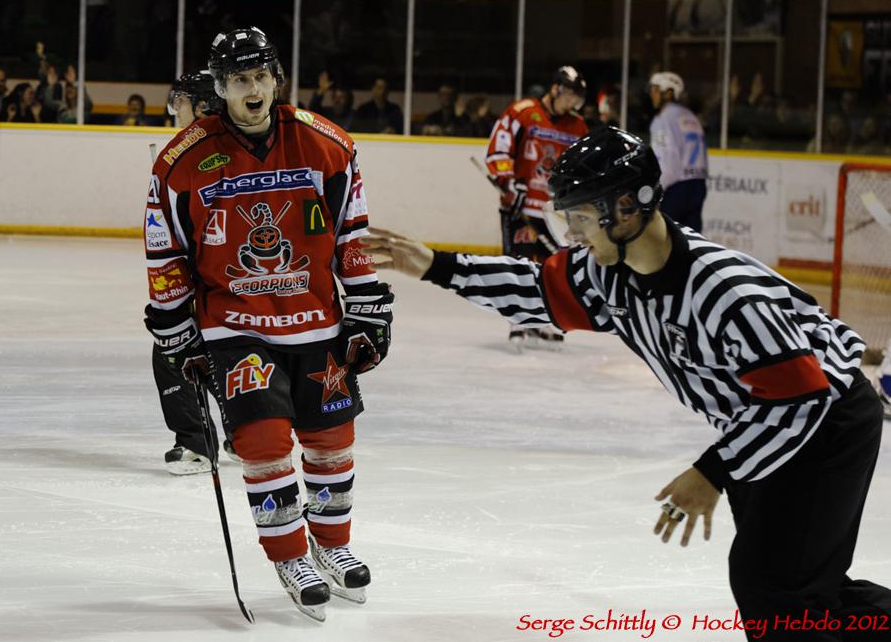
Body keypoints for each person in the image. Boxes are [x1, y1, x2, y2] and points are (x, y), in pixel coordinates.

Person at [365, 126, 891, 641]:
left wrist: (712, 472)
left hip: (827, 423)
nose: (572, 233)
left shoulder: (722, 292)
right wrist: (438, 267)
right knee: (798, 583)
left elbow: (800, 396)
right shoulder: (607, 272)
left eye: (580, 217)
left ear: (625, 208)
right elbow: (537, 291)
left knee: (774, 584)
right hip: (763, 425)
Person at [143, 27, 391, 621]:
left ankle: (332, 544)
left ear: (276, 78)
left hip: (317, 321)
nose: (251, 90)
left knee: (333, 441)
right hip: (235, 327)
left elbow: (351, 232)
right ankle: (289, 554)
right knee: (262, 442)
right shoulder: (182, 159)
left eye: (259, 77)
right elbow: (165, 248)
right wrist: (175, 325)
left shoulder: (327, 143)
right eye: (237, 80)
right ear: (220, 86)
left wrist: (367, 305)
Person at [151, 69, 227, 476]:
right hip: (251, 278)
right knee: (228, 348)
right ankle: (244, 433)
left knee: (173, 348)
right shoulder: (236, 142)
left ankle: (197, 444)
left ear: (201, 106)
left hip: (217, 277)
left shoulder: (186, 155)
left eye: (180, 101)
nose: (174, 109)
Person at [484, 65, 588, 348]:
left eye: (576, 98)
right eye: (568, 95)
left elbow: (582, 169)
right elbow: (498, 149)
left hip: (556, 213)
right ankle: (518, 319)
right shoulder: (523, 112)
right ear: (555, 89)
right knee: (519, 264)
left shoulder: (577, 126)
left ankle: (543, 319)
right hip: (522, 206)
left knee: (552, 269)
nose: (571, 102)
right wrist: (508, 182)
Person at [648, 72, 709, 232]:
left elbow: (667, 161)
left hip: (676, 188)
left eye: (656, 90)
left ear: (668, 93)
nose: (652, 94)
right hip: (698, 185)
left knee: (664, 239)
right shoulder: (690, 116)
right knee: (692, 240)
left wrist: (654, 192)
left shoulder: (663, 119)